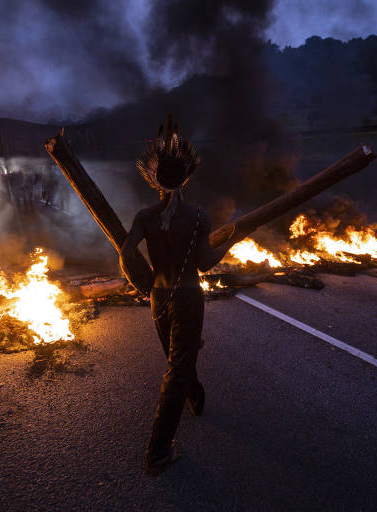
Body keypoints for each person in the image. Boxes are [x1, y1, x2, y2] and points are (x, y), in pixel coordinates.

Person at [119, 116, 237, 474]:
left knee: (179, 360)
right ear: (186, 178)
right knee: (177, 366)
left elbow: (125, 255)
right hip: (187, 297)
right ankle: (157, 450)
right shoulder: (199, 216)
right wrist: (227, 245)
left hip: (159, 298)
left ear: (154, 178)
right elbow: (202, 263)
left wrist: (144, 284)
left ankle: (194, 394)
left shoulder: (144, 216)